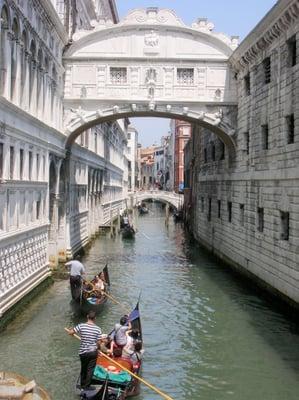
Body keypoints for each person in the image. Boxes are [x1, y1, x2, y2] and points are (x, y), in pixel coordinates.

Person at [68, 311, 102, 390]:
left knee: (83, 368)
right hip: (93, 352)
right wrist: (98, 349)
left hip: (83, 352)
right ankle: (87, 386)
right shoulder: (98, 329)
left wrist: (71, 332)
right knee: (90, 369)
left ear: (87, 316)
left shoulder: (81, 326)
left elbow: (71, 332)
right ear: (95, 319)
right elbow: (99, 342)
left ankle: (82, 385)